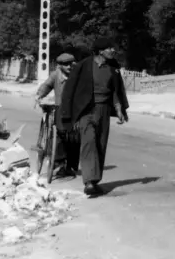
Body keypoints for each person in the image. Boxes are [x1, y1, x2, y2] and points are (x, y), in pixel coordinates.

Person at [60, 37, 129, 197]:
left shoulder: (113, 67)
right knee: (89, 143)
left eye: (113, 48)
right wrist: (69, 115)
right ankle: (89, 182)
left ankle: (95, 181)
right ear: (100, 51)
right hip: (86, 110)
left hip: (104, 110)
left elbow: (116, 90)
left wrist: (119, 109)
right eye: (109, 48)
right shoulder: (84, 66)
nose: (113, 50)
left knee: (100, 144)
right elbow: (69, 90)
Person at [35, 53, 79, 178]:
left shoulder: (77, 75)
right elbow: (47, 85)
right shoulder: (55, 75)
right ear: (60, 66)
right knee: (59, 133)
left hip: (75, 109)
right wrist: (39, 95)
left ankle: (70, 166)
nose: (69, 67)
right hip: (61, 108)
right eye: (65, 64)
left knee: (76, 137)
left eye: (71, 63)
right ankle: (58, 161)